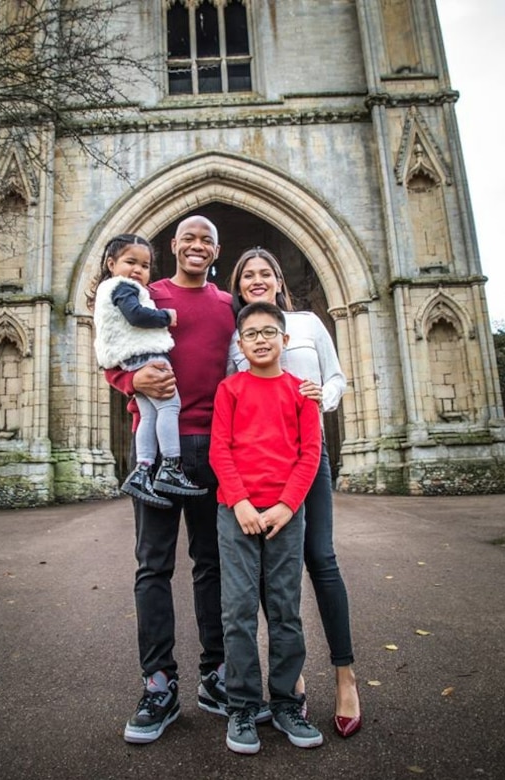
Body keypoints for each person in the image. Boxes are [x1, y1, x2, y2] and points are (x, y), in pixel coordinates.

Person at [103, 216, 237, 744]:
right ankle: (159, 683)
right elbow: (110, 345)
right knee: (153, 566)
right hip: (159, 447)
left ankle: (216, 674)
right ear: (173, 246)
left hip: (213, 447)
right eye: (188, 238)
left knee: (213, 563)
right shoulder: (143, 292)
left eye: (207, 239)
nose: (197, 245)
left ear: (215, 249)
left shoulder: (229, 305)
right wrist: (128, 379)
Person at [228, 247, 362, 739]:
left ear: (278, 279)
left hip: (308, 457)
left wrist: (316, 400)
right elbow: (234, 395)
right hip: (260, 468)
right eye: (248, 276)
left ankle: (346, 678)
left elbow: (335, 377)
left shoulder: (306, 323)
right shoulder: (236, 337)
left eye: (265, 273)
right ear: (239, 286)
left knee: (320, 560)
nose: (257, 280)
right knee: (268, 575)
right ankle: (291, 678)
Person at [210, 300, 323, 755]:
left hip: (284, 517)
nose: (260, 338)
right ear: (240, 344)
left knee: (284, 610)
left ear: (284, 339)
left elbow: (309, 455)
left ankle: (285, 703)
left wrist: (285, 506)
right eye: (251, 333)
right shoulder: (230, 389)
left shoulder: (301, 392)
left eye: (268, 331)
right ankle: (242, 705)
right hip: (236, 514)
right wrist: (238, 501)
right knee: (237, 611)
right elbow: (220, 449)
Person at [93, 233, 207, 508]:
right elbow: (136, 315)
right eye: (130, 262)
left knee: (148, 414)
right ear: (111, 263)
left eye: (144, 266)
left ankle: (142, 470)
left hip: (132, 357)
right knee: (169, 407)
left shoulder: (112, 290)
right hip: (147, 356)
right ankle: (170, 466)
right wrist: (165, 316)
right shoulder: (124, 288)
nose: (138, 270)